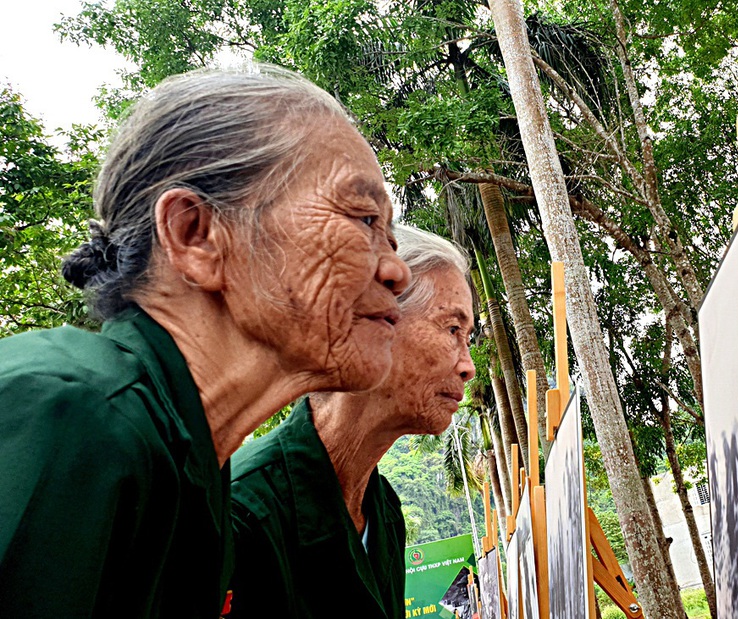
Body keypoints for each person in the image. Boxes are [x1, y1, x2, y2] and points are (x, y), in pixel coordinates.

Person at [0, 66, 411, 618]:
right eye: (362, 217)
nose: (397, 272)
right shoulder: (69, 414)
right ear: (196, 234)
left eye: (388, 231)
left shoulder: (192, 470)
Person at [228, 225, 477, 618]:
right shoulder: (240, 514)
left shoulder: (384, 511)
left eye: (468, 338)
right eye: (452, 329)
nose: (468, 367)